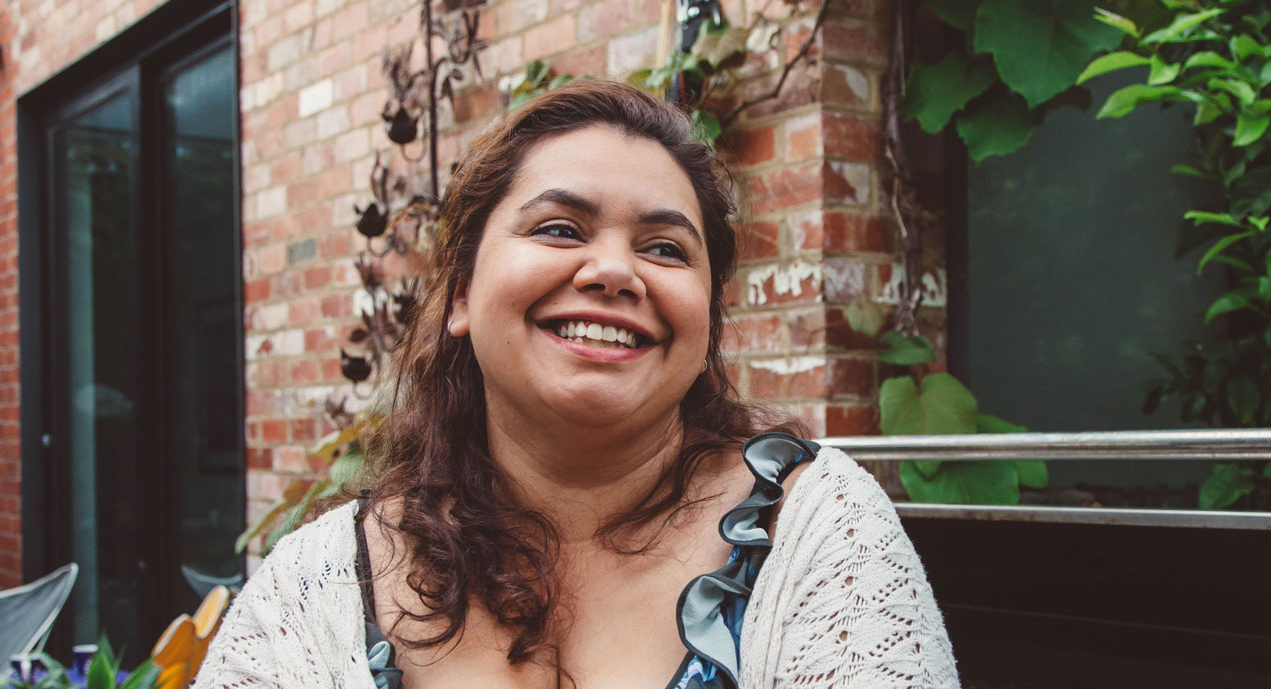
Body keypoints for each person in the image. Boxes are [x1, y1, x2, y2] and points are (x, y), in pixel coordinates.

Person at [194, 80, 959, 689]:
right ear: (460, 293)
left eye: (664, 247)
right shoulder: (313, 591)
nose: (614, 272)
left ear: (706, 318)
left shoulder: (817, 531)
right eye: (560, 228)